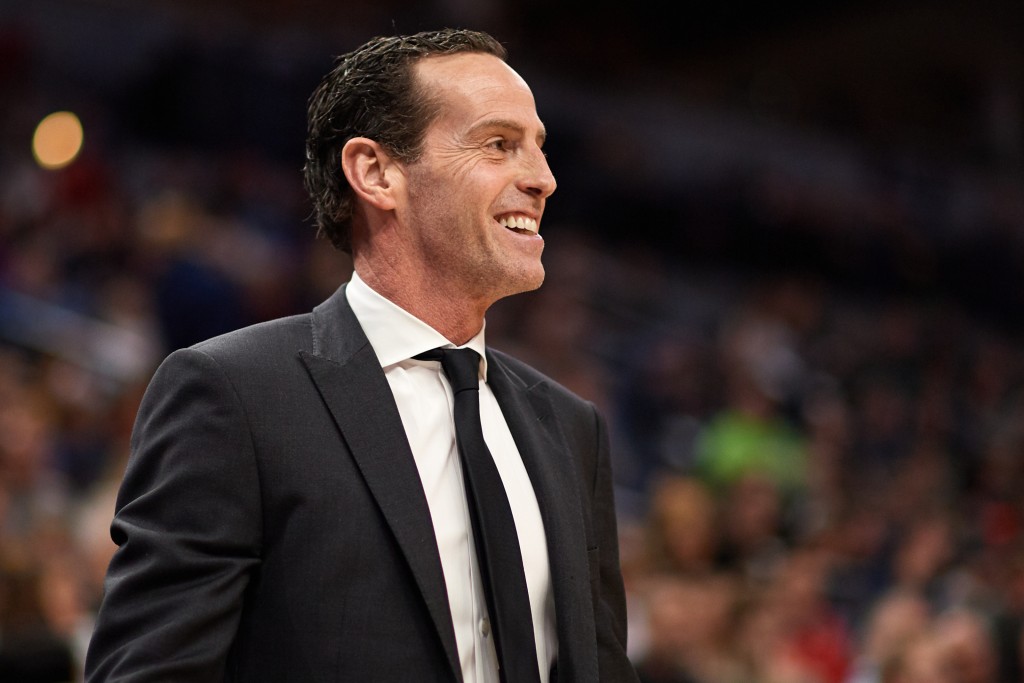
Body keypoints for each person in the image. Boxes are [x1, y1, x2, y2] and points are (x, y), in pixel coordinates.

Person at [84, 28, 638, 683]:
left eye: (539, 149)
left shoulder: (572, 428)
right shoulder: (235, 393)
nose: (543, 179)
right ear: (376, 172)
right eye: (499, 144)